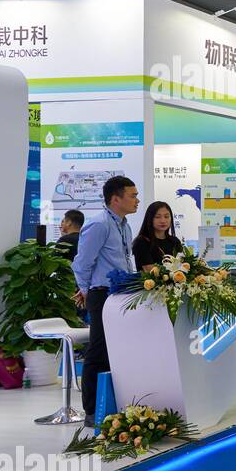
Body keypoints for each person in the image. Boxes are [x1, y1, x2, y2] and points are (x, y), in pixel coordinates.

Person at [72, 176, 140, 419]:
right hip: (101, 294)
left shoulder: (124, 225)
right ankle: (91, 409)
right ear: (115, 198)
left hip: (121, 293)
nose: (137, 200)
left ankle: (112, 403)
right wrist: (86, 290)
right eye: (132, 195)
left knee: (117, 349)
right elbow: (81, 263)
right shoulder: (99, 224)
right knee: (99, 349)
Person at [131, 201, 184, 271]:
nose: (163, 220)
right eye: (157, 217)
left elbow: (183, 265)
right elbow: (150, 271)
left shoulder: (174, 241)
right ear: (149, 219)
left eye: (166, 216)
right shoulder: (141, 242)